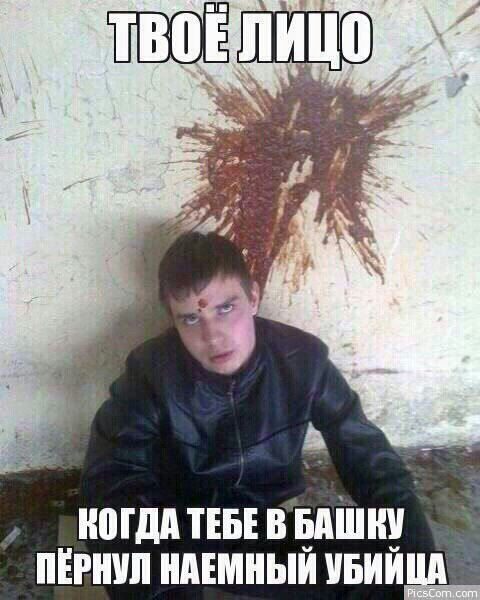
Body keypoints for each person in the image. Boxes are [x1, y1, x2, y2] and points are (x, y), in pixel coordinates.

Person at [80, 231, 435, 599]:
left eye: (225, 308)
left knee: (388, 563)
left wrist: (419, 574)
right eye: (190, 319)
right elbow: (111, 482)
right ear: (173, 320)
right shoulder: (150, 372)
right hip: (184, 529)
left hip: (270, 522)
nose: (213, 336)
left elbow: (371, 461)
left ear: (253, 297)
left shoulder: (303, 360)